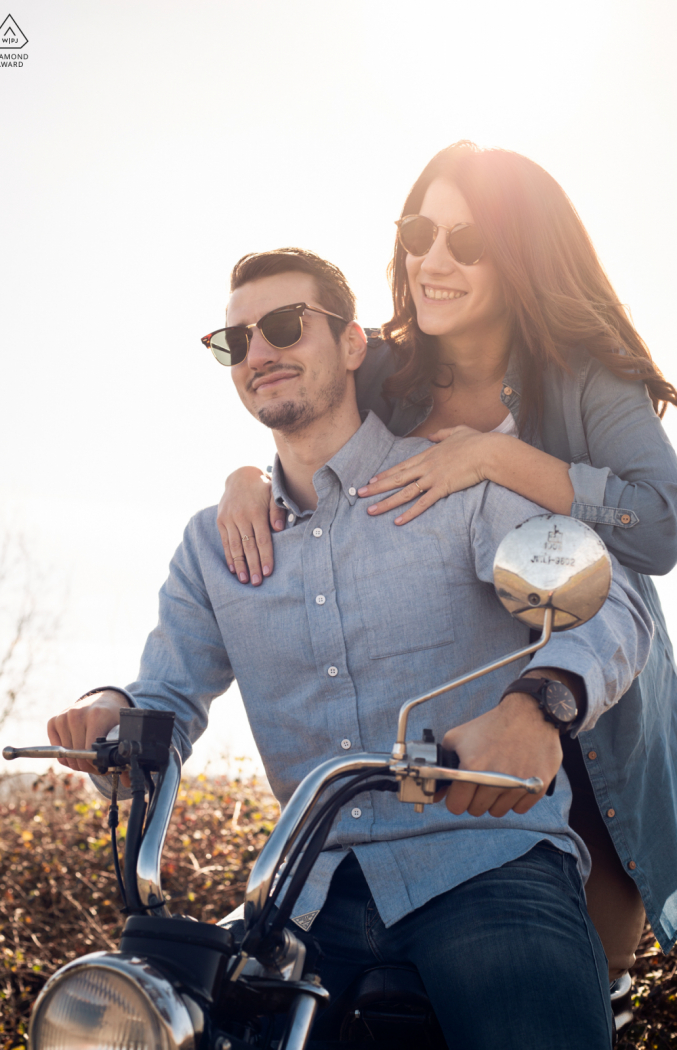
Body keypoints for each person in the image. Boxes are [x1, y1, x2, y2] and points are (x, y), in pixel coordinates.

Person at [48, 249, 652, 1050]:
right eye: (235, 342)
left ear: (354, 344)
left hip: (483, 865)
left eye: (284, 326)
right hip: (303, 892)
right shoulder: (211, 543)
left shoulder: (454, 484)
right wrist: (111, 715)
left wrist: (538, 706)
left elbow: (610, 605)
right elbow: (166, 694)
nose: (259, 353)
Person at [217, 143, 677, 980]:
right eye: (420, 232)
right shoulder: (389, 364)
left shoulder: (586, 377)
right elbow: (304, 418)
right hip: (443, 724)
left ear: (521, 254)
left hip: (588, 710)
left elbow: (660, 527)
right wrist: (246, 477)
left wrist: (496, 459)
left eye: (467, 243)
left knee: (575, 979)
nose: (433, 260)